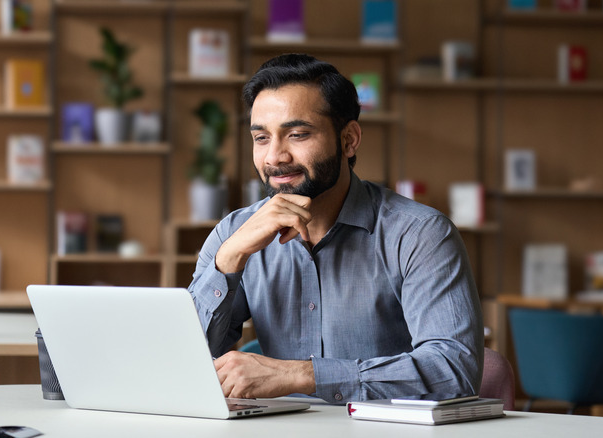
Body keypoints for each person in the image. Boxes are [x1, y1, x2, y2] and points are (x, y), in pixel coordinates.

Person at [188, 53, 484, 404]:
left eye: (297, 134)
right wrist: (229, 261)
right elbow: (182, 363)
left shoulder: (420, 234)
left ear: (349, 140)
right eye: (262, 138)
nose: (274, 157)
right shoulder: (233, 234)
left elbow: (454, 370)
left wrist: (302, 375)